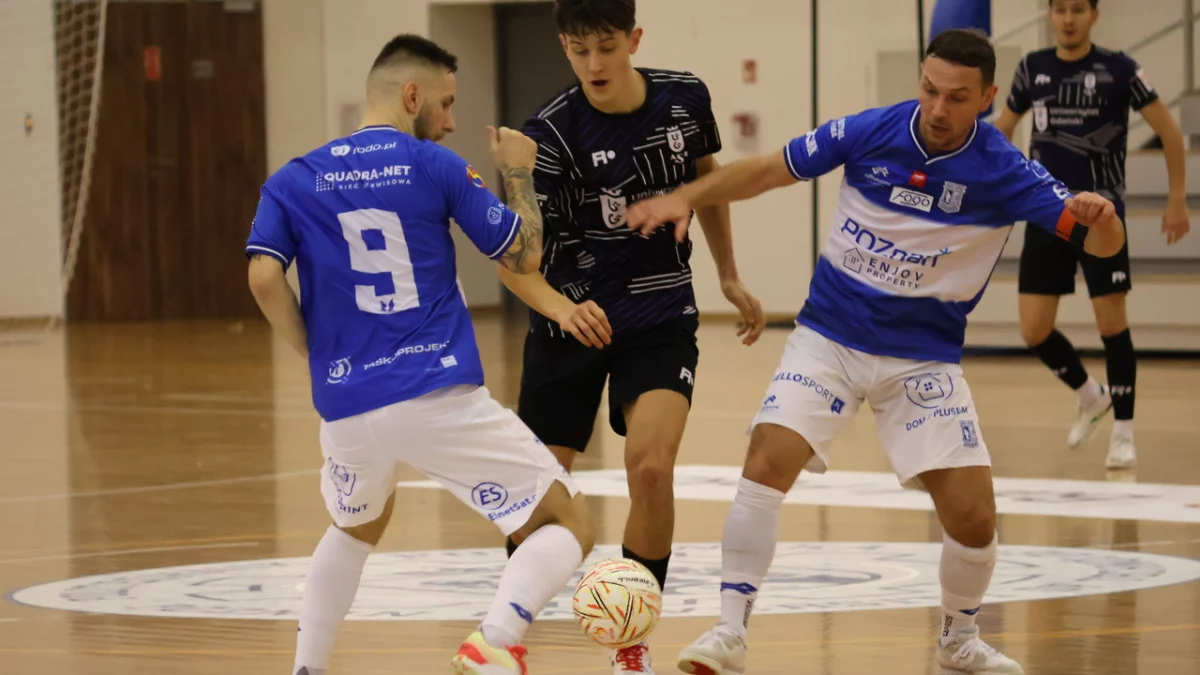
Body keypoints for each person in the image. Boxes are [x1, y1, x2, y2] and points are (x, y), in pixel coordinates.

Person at [626, 29, 1126, 675]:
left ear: (988, 98)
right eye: (929, 89)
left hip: (923, 357)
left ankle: (959, 640)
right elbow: (770, 168)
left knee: (975, 517)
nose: (938, 108)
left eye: (957, 97)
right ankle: (728, 631)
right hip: (829, 338)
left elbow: (1102, 244)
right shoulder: (871, 130)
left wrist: (1104, 219)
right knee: (766, 461)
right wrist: (685, 197)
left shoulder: (1003, 169)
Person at [244, 34, 595, 675]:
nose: (452, 121)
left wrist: (314, 352)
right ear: (412, 96)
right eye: (447, 103)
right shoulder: (433, 165)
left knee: (355, 529)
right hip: (434, 392)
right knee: (568, 521)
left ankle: (306, 668)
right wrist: (519, 171)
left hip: (346, 408)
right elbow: (523, 255)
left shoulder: (293, 178)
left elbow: (264, 278)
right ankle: (496, 641)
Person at [498, 2, 764, 672]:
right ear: (564, 45)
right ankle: (504, 638)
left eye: (607, 47)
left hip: (658, 315)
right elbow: (515, 260)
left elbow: (707, 184)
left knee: (650, 466)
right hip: (569, 322)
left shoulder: (685, 99)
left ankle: (631, 643)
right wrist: (562, 309)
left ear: (634, 39)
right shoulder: (548, 134)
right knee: (536, 500)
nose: (593, 64)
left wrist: (729, 275)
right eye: (578, 49)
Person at [995, 0, 1191, 469]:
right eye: (1060, 9)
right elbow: (1002, 131)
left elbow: (1169, 131)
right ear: (1049, 14)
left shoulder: (1120, 69)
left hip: (1102, 216)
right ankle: (1090, 395)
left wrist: (1177, 199)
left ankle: (1123, 433)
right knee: (1033, 329)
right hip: (1047, 213)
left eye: (1078, 9)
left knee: (1111, 324)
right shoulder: (1031, 68)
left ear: (1094, 15)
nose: (1068, 18)